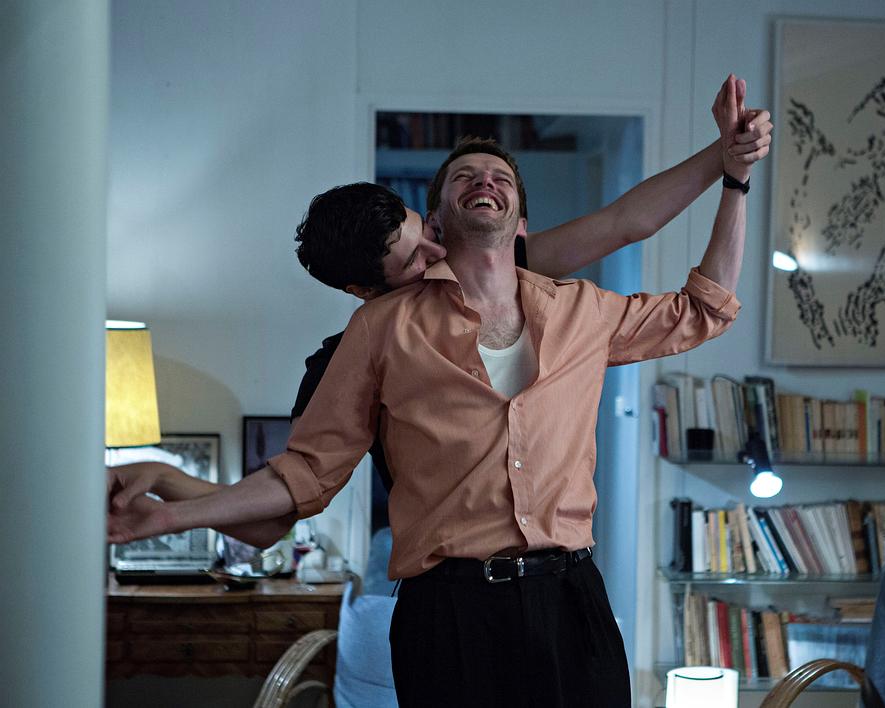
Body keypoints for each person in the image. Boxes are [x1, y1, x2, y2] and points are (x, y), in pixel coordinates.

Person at [109, 74, 767, 707]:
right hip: (450, 609)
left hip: (569, 597)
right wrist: (170, 500)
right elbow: (294, 490)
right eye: (415, 256)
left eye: (423, 238)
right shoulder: (371, 336)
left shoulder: (569, 305)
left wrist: (731, 166)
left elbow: (642, 239)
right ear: (371, 284)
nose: (431, 258)